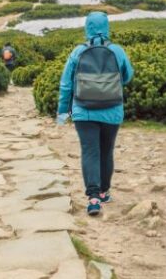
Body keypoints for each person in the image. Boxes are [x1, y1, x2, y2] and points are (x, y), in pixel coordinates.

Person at [56, 12, 134, 216]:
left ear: (87, 27)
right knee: (106, 151)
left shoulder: (78, 51)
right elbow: (127, 76)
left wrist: (62, 112)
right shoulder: (117, 51)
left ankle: (92, 198)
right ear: (107, 27)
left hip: (84, 111)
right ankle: (104, 192)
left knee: (90, 151)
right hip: (112, 110)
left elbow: (66, 84)